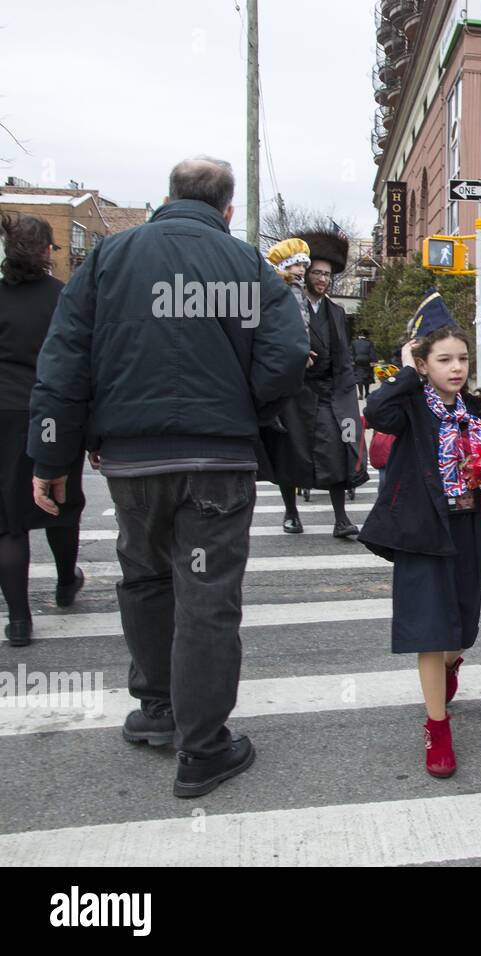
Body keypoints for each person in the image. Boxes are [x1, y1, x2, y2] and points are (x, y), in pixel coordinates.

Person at [27, 155, 308, 797]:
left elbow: (64, 359)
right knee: (207, 598)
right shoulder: (246, 266)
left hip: (131, 460)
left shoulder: (109, 259)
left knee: (146, 578)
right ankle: (203, 747)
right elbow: (287, 355)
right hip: (216, 461)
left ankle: (157, 712)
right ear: (228, 209)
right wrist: (243, 405)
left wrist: (51, 457)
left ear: (168, 196)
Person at [359, 321, 481, 777]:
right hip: (421, 531)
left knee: (461, 630)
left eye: (462, 359)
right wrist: (407, 372)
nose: (456, 368)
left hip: (467, 529)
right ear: (425, 364)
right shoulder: (408, 405)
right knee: (430, 630)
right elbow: (375, 410)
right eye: (444, 359)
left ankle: (452, 664)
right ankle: (437, 728)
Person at [0, 212, 85, 646]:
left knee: (9, 523)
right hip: (53, 412)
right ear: (48, 251)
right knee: (59, 503)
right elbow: (79, 360)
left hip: (4, 413)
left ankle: (19, 620)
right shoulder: (63, 296)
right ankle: (66, 582)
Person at [265, 230, 368, 537]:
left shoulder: (335, 311)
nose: (323, 279)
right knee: (290, 450)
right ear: (305, 273)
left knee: (337, 448)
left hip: (328, 391)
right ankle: (291, 513)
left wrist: (348, 395)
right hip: (295, 392)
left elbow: (343, 356)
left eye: (327, 275)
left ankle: (340, 519)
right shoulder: (285, 303)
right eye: (317, 273)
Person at [351, 328, 376, 399]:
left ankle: (360, 394)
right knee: (366, 377)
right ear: (366, 335)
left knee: (359, 378)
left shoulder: (354, 342)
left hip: (357, 361)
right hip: (366, 361)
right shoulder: (369, 343)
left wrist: (352, 361)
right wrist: (373, 361)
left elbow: (351, 353)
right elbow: (372, 353)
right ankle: (367, 393)